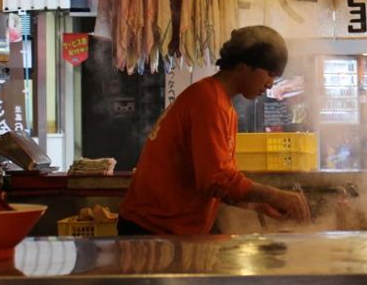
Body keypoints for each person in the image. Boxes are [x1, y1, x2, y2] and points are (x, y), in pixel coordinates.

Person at [118, 25, 311, 235]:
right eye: (269, 73)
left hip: (172, 230)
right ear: (244, 65)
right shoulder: (208, 101)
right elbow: (215, 178)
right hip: (152, 230)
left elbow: (216, 182)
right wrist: (274, 195)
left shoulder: (221, 103)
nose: (270, 84)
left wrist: (254, 204)